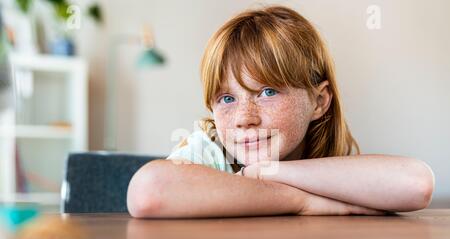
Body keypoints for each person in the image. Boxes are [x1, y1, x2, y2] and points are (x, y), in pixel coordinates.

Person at [127, 5, 434, 218]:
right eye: (227, 99)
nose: (245, 118)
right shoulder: (211, 152)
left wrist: (269, 173)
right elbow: (148, 191)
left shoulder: (318, 162)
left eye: (268, 92)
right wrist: (300, 201)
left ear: (319, 102)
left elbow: (416, 183)